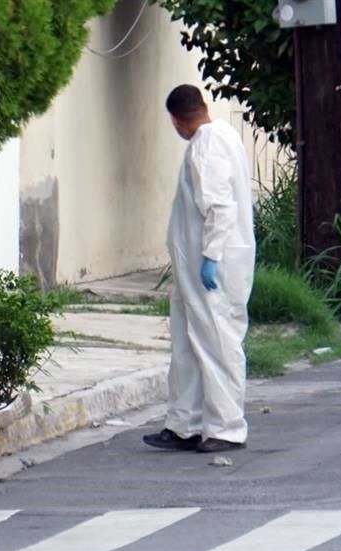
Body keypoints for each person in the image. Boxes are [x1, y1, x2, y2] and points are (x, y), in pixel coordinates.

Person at [143, 85, 256, 454]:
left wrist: (211, 256)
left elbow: (219, 207)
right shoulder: (223, 134)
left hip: (213, 266)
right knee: (188, 344)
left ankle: (226, 428)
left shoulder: (206, 146)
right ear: (202, 107)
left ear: (175, 120)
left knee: (217, 343)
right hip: (197, 266)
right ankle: (184, 423)